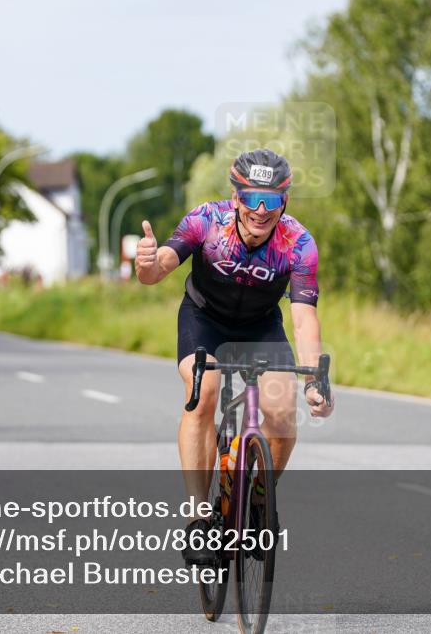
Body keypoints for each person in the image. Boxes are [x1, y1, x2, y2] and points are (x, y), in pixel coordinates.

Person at [135, 148, 335, 565]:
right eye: (252, 198)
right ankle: (198, 518)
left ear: (287, 200)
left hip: (261, 325)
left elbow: (303, 319)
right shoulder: (206, 221)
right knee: (203, 392)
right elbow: (158, 272)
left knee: (282, 410)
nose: (262, 210)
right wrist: (146, 264)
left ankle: (258, 501)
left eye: (273, 200)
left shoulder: (298, 243)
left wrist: (314, 380)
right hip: (204, 317)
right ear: (236, 196)